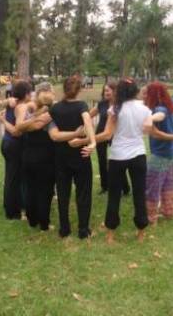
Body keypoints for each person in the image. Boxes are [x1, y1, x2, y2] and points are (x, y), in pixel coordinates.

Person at [71, 78, 173, 244]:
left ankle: (110, 235)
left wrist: (81, 141)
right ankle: (140, 234)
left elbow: (107, 135)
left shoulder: (115, 109)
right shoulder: (144, 108)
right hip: (139, 156)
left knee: (114, 196)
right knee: (139, 194)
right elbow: (153, 132)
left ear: (120, 91)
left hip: (118, 157)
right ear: (135, 91)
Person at [48, 76, 96, 239]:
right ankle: (83, 230)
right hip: (81, 155)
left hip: (60, 157)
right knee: (83, 193)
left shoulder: (55, 108)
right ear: (79, 90)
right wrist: (92, 141)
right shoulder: (81, 105)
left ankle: (64, 229)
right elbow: (87, 121)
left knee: (63, 193)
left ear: (64, 89)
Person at [12, 87, 56, 230]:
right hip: (45, 158)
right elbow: (36, 125)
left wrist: (33, 117)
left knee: (31, 189)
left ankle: (32, 220)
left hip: (28, 156)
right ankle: (43, 223)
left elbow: (19, 128)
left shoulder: (30, 115)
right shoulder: (49, 115)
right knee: (45, 190)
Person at [144, 83, 173, 224]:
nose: (144, 96)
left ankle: (151, 218)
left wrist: (151, 118)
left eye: (147, 93)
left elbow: (159, 115)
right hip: (170, 152)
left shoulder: (160, 109)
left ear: (154, 94)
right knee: (167, 183)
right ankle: (168, 211)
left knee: (152, 185)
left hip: (161, 154)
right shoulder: (169, 107)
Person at [0, 81, 32, 220]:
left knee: (13, 177)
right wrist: (3, 121)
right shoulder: (19, 106)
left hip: (9, 143)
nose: (31, 95)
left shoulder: (16, 103)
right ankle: (12, 212)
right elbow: (17, 132)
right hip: (13, 144)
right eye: (30, 92)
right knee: (13, 178)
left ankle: (11, 205)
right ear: (26, 94)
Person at [89, 82, 130, 195]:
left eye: (108, 90)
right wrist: (87, 125)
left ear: (115, 91)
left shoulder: (121, 105)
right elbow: (88, 115)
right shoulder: (101, 104)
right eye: (104, 90)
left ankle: (125, 187)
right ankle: (105, 186)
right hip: (101, 135)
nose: (105, 93)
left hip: (116, 135)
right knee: (102, 161)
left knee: (118, 160)